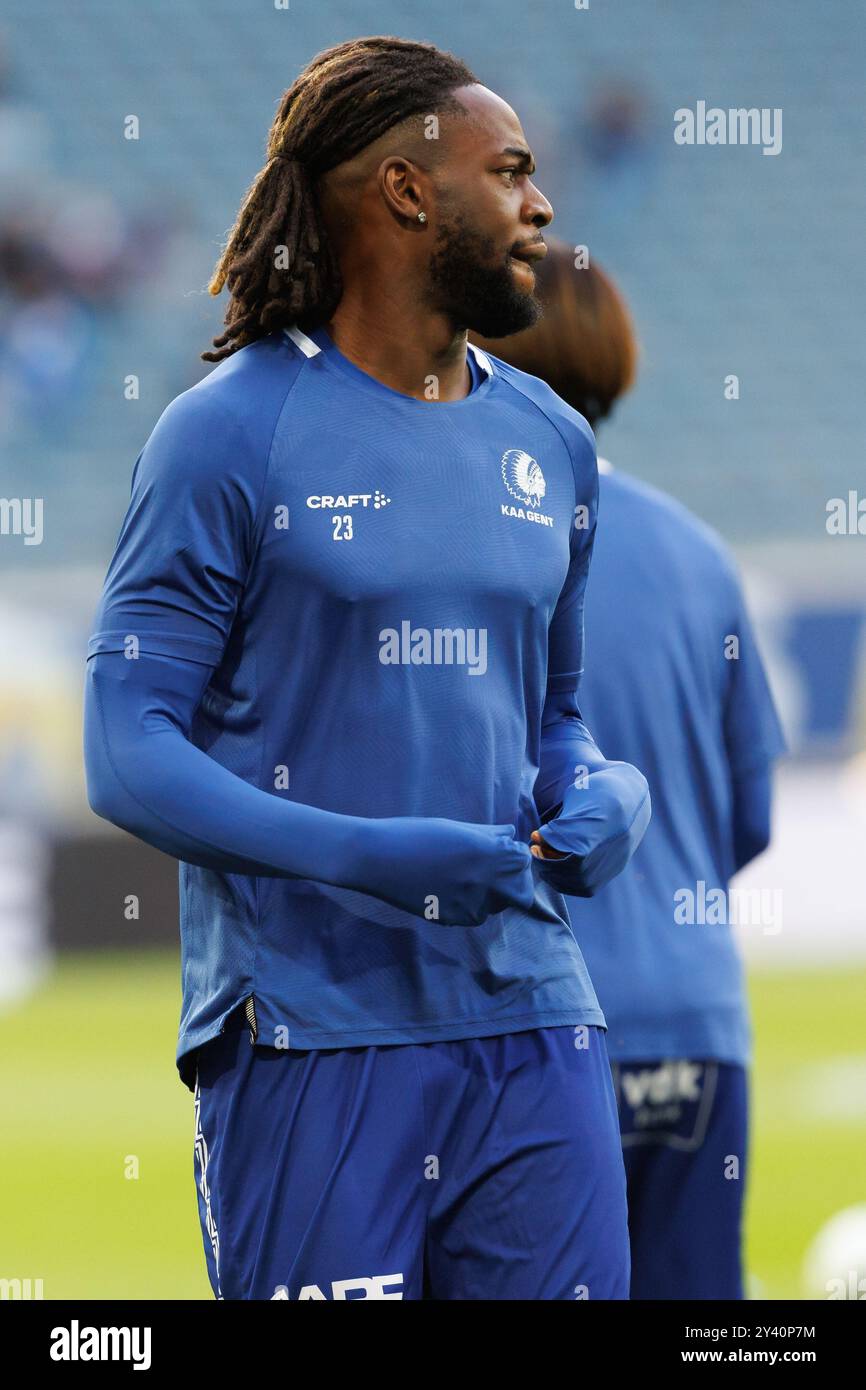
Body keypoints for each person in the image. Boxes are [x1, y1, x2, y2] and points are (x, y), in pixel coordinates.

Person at [83, 38, 651, 1301]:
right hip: (309, 1033)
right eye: (508, 172)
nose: (540, 206)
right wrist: (359, 851)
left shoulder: (551, 440)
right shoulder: (226, 434)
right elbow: (126, 750)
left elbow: (553, 716)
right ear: (406, 191)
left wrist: (604, 788)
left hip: (532, 1016)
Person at [474, 241, 785, 1299]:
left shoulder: (466, 545)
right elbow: (748, 816)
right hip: (696, 1023)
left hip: (535, 1027)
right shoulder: (700, 553)